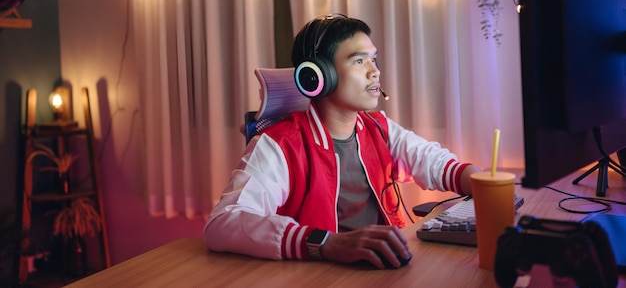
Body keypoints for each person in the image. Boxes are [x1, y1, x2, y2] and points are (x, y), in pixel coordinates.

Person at [203, 14, 481, 269]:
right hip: (323, 277)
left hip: (388, 269)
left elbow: (433, 162)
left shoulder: (378, 129)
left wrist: (478, 182)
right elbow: (222, 223)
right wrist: (326, 243)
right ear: (319, 76)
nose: (375, 72)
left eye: (374, 60)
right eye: (359, 61)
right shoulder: (279, 145)